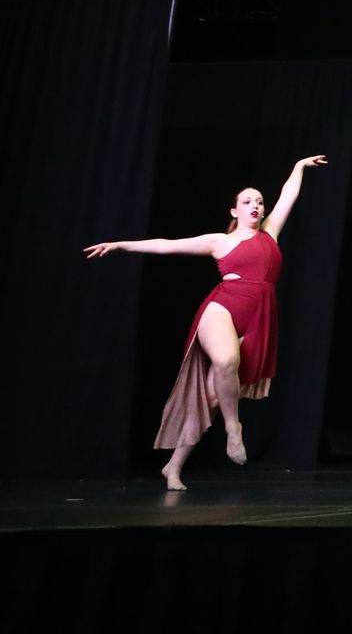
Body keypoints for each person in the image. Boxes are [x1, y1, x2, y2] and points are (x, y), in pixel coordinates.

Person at [85, 155, 327, 490]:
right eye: (247, 202)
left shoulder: (271, 232)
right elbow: (167, 246)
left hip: (259, 317)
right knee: (226, 360)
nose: (255, 206)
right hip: (222, 308)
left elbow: (288, 194)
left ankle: (173, 467)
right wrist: (121, 245)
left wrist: (299, 166)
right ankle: (233, 429)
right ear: (234, 211)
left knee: (213, 398)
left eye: (259, 201)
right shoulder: (220, 241)